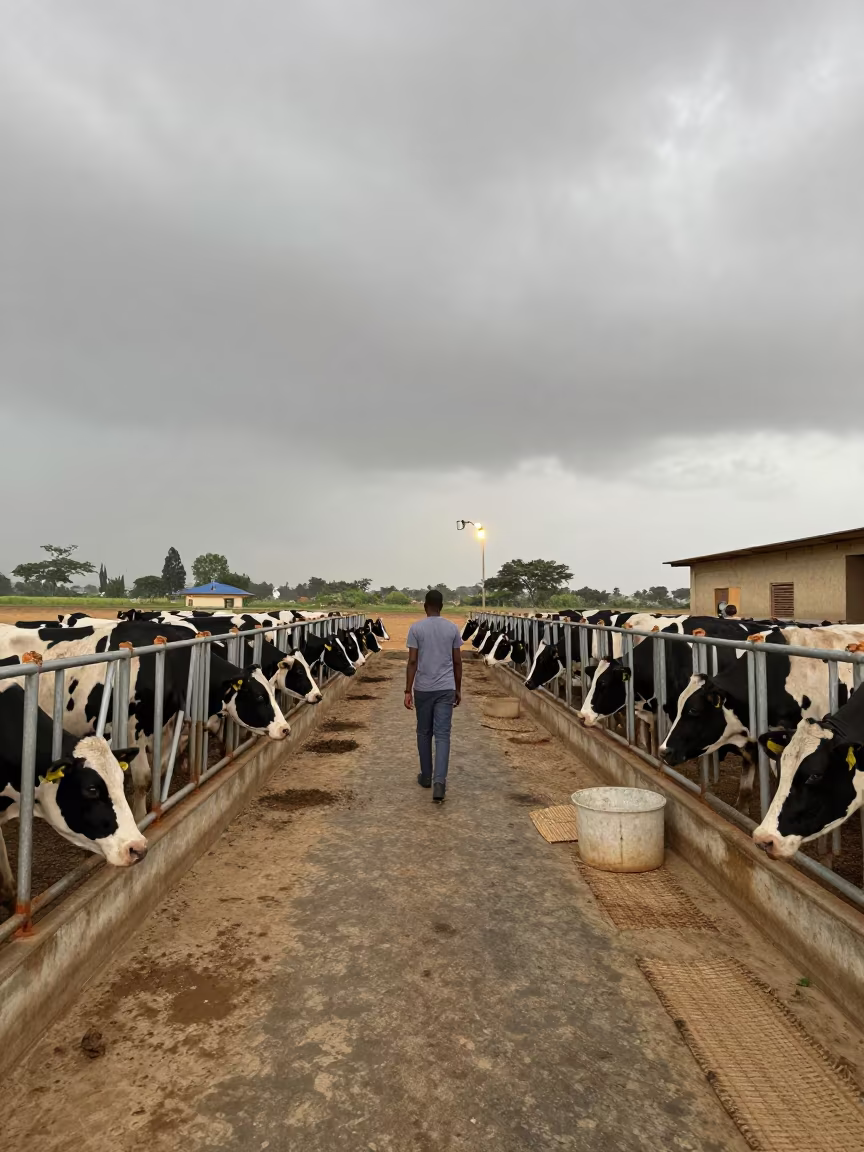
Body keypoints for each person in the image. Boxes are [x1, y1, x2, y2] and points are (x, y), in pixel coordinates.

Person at [404, 590, 463, 803]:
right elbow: (457, 662)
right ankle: (440, 783)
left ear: (425, 606)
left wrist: (407, 690)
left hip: (423, 688)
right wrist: (457, 689)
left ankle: (426, 776)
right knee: (443, 735)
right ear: (442, 606)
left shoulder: (416, 628)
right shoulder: (452, 628)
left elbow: (412, 661)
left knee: (423, 732)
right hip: (446, 688)